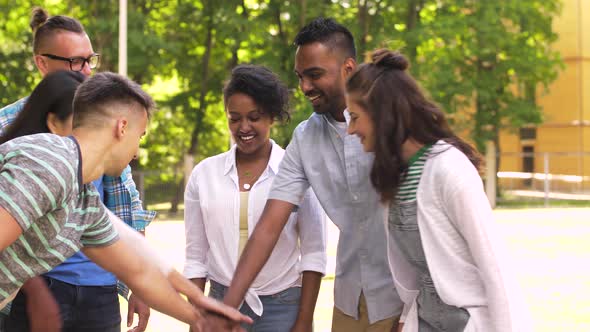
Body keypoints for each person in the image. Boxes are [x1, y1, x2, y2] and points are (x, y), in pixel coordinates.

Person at [0, 71, 252, 331]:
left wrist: (199, 315)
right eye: (140, 136)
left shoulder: (84, 203)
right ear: (121, 127)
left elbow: (138, 271)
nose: (136, 153)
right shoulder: (52, 165)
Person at [216, 18, 403, 332]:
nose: (304, 87)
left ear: (348, 68)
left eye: (315, 75)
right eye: (301, 76)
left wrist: (411, 309)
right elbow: (267, 228)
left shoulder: (394, 121)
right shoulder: (304, 139)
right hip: (350, 295)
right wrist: (226, 309)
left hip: (404, 295)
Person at [345, 49, 531, 331]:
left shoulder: (448, 168)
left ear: (381, 113)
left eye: (355, 117)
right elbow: (418, 271)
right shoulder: (396, 177)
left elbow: (496, 267)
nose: (350, 129)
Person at [0, 8, 154, 332]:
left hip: (100, 289)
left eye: (89, 60)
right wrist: (36, 290)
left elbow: (126, 212)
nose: (86, 70)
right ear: (42, 62)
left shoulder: (104, 130)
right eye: (75, 62)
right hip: (41, 285)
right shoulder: (31, 144)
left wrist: (142, 285)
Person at [183, 65, 327, 332]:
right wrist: (197, 314)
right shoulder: (204, 175)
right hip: (219, 303)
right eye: (234, 118)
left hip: (282, 308)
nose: (244, 127)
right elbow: (196, 258)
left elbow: (314, 253)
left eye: (254, 117)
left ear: (272, 116)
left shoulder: (296, 171)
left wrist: (304, 320)